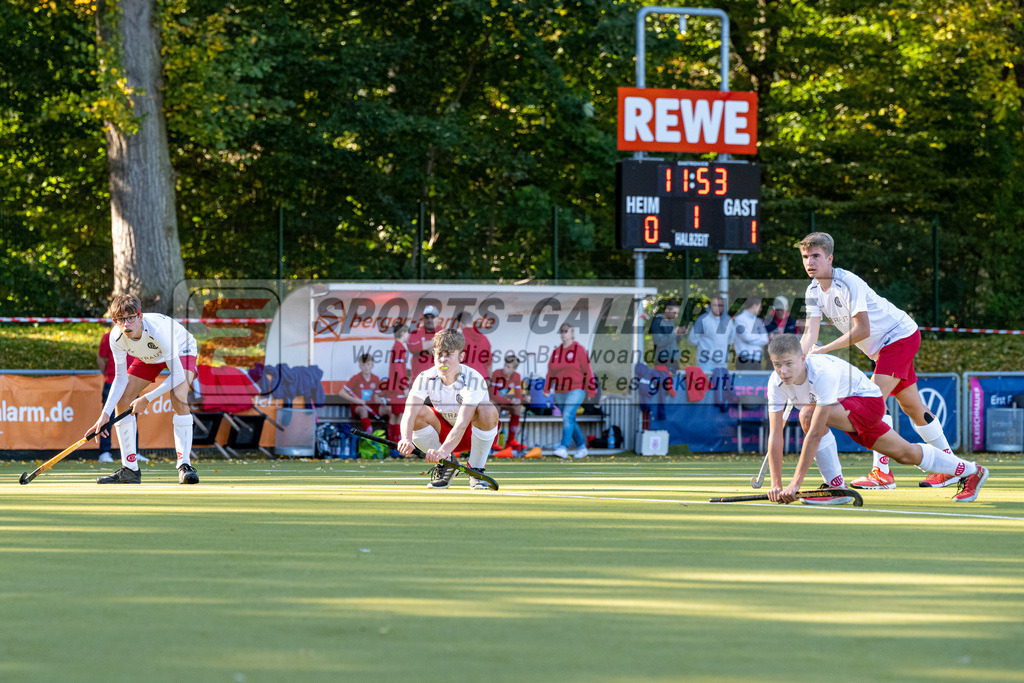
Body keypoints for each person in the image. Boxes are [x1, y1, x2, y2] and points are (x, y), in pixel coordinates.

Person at [798, 232, 957, 489]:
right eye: (805, 257)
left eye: (815, 256)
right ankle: (951, 466)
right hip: (884, 349)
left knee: (871, 400)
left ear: (829, 258)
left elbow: (863, 330)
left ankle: (882, 474)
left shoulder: (848, 282)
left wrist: (824, 349)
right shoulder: (813, 290)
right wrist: (800, 357)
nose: (810, 262)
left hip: (899, 337)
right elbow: (810, 334)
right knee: (913, 407)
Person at [764, 334, 990, 504]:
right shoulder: (775, 384)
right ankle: (972, 471)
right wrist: (776, 484)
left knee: (808, 415)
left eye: (789, 363)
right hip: (846, 408)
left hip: (868, 402)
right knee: (905, 453)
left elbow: (814, 432)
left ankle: (835, 488)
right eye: (777, 364)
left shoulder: (822, 373)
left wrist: (795, 484)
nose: (783, 371)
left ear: (803, 358)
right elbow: (775, 435)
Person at [88, 294, 200, 484]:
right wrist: (104, 414)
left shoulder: (159, 330)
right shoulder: (116, 338)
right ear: (115, 321)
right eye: (121, 320)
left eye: (131, 317)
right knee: (123, 400)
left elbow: (178, 375)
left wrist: (147, 398)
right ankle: (130, 469)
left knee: (178, 396)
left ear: (140, 316)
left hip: (181, 349)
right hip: (149, 357)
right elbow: (120, 378)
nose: (127, 324)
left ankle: (184, 465)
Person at [397, 328, 500, 489]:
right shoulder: (425, 377)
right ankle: (447, 465)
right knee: (418, 412)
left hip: (471, 434)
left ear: (461, 356)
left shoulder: (473, 379)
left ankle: (477, 470)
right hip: (444, 432)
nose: (443, 360)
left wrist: (443, 450)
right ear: (433, 354)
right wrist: (406, 439)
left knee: (487, 409)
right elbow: (409, 412)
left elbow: (462, 423)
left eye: (449, 355)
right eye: (439, 354)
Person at [544, 324, 597, 459]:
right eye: (561, 331)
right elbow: (550, 372)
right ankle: (582, 447)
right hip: (560, 391)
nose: (563, 334)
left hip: (577, 389)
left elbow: (587, 371)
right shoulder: (556, 352)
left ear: (572, 333)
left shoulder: (579, 350)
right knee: (570, 419)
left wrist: (591, 390)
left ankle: (563, 447)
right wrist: (546, 388)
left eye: (566, 331)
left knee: (567, 416)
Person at [96, 330, 141, 463]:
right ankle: (104, 452)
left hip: (132, 383)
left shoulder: (137, 336)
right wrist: (108, 375)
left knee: (132, 416)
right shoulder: (108, 337)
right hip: (112, 382)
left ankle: (134, 453)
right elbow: (101, 359)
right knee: (107, 417)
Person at [338, 353, 390, 433]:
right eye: (363, 365)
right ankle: (369, 436)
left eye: (368, 364)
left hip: (371, 407)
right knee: (363, 410)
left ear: (372, 365)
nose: (366, 367)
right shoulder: (356, 378)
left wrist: (381, 401)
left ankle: (392, 437)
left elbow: (376, 397)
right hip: (359, 407)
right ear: (360, 366)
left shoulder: (375, 378)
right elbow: (341, 393)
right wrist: (356, 400)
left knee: (389, 410)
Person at [381, 323, 410, 446]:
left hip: (394, 387)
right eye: (407, 333)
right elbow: (398, 368)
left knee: (395, 415)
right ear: (403, 333)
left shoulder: (396, 346)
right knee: (401, 416)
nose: (408, 336)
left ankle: (393, 444)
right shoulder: (399, 347)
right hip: (398, 388)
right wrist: (404, 386)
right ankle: (397, 444)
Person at [490, 354, 525, 449]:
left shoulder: (517, 376)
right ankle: (493, 442)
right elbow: (493, 395)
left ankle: (511, 441)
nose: (505, 368)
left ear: (514, 369)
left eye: (508, 367)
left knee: (517, 409)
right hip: (495, 401)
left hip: (506, 402)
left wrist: (519, 401)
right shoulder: (496, 373)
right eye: (505, 365)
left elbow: (519, 395)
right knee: (495, 409)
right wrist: (510, 401)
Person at [733, 295, 769, 370]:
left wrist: (750, 341)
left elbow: (765, 339)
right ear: (754, 306)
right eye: (760, 306)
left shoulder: (758, 321)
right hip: (744, 359)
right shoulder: (739, 319)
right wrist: (759, 336)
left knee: (756, 382)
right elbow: (746, 337)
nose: (761, 309)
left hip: (757, 359)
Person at [454, 311, 492, 378]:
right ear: (471, 321)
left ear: (460, 323)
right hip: (481, 379)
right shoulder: (485, 339)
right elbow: (489, 363)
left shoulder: (459, 339)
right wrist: (489, 379)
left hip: (464, 379)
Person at [408, 305, 440, 380]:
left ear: (438, 318)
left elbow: (442, 351)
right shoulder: (416, 333)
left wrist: (423, 346)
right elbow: (413, 347)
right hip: (419, 380)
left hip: (438, 380)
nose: (429, 320)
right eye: (427, 317)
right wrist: (435, 342)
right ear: (423, 319)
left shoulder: (443, 332)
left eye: (432, 317)